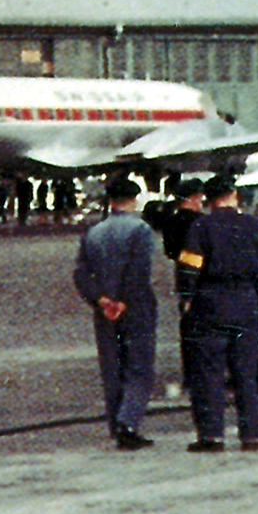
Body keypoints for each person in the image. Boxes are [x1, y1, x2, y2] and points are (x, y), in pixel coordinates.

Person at [179, 173, 258, 451]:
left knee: (210, 371)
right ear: (234, 196)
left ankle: (212, 436)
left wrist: (186, 299)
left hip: (211, 301)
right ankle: (252, 434)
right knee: (246, 372)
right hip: (246, 300)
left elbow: (190, 267)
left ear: (209, 201)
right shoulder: (255, 225)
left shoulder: (201, 226)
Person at [73, 177, 160, 449]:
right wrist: (123, 301)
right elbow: (139, 271)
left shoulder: (94, 232)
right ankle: (129, 421)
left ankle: (116, 424)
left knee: (113, 369)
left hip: (104, 312)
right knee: (139, 368)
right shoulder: (141, 230)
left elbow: (81, 272)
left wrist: (101, 300)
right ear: (133, 199)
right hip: (136, 308)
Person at [144, 174, 207, 395]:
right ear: (193, 198)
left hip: (183, 278)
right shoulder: (200, 223)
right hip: (204, 279)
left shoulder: (172, 223)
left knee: (189, 331)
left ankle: (191, 375)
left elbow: (170, 252)